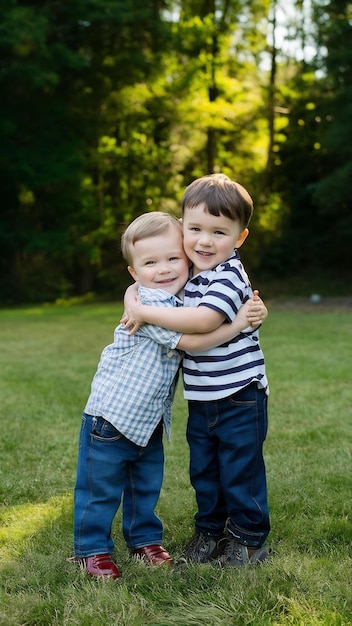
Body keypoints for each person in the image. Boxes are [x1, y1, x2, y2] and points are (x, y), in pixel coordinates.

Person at [73, 211, 267, 580]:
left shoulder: (178, 297)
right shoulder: (154, 309)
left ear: (187, 258)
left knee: (144, 485)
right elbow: (194, 340)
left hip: (149, 420)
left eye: (172, 259)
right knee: (100, 489)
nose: (163, 269)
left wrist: (256, 307)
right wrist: (240, 323)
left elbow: (218, 291)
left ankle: (144, 541)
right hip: (111, 416)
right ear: (134, 273)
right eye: (150, 263)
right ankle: (92, 550)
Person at [122, 174, 270, 568]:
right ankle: (210, 530)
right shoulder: (190, 271)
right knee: (204, 471)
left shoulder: (227, 274)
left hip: (240, 393)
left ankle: (248, 539)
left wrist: (141, 312)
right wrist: (131, 299)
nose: (204, 241)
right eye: (195, 229)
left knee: (240, 469)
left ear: (239, 238)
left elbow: (203, 321)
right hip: (203, 396)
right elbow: (142, 280)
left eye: (219, 232)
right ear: (183, 228)